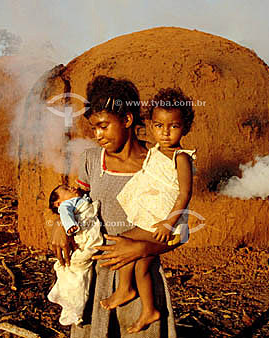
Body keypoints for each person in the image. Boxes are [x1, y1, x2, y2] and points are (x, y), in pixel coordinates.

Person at [50, 76, 181, 338]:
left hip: (139, 281)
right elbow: (78, 202)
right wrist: (58, 225)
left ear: (127, 120)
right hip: (96, 279)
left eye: (103, 126)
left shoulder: (159, 164)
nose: (98, 135)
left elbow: (180, 231)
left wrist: (142, 247)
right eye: (94, 129)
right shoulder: (91, 161)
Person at [102, 87, 196, 333]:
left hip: (165, 224)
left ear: (185, 127)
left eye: (173, 126)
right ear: (151, 125)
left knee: (123, 242)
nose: (165, 133)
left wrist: (169, 223)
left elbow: (185, 194)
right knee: (142, 265)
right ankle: (150, 310)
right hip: (151, 219)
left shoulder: (181, 158)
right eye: (159, 126)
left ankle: (124, 289)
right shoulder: (154, 150)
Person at [47, 184, 103, 326]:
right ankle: (73, 306)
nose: (71, 187)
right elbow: (65, 214)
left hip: (89, 234)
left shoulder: (81, 199)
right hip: (81, 236)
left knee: (81, 274)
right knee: (78, 268)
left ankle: (73, 305)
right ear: (57, 203)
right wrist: (70, 226)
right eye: (66, 189)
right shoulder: (66, 205)